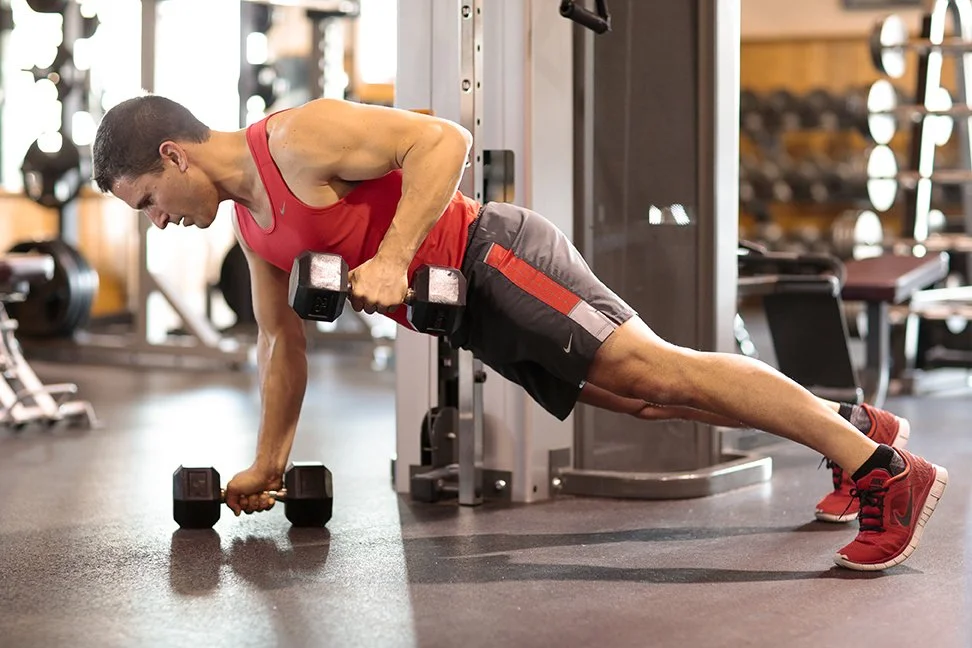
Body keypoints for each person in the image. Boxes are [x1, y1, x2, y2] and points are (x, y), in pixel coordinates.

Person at [92, 94, 947, 571]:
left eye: (146, 205)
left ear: (174, 157)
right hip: (472, 306)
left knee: (662, 375)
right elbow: (282, 345)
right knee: (647, 401)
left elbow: (441, 139)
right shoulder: (252, 226)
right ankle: (851, 426)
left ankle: (889, 474)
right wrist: (270, 464)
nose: (155, 223)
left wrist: (390, 260)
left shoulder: (295, 137)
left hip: (496, 255)